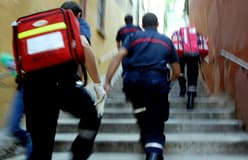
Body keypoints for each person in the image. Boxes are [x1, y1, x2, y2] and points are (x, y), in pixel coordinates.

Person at [20, 4, 106, 160]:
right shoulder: (76, 21)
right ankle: (78, 154)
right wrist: (98, 84)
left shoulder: (45, 25)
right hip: (62, 83)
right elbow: (84, 45)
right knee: (92, 116)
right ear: (78, 15)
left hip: (32, 87)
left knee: (41, 147)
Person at [104, 13, 180, 160]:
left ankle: (148, 140)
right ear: (157, 24)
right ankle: (154, 152)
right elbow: (177, 71)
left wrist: (107, 81)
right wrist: (169, 82)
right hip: (156, 83)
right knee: (157, 119)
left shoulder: (133, 38)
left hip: (134, 84)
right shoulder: (166, 41)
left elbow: (118, 57)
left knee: (142, 114)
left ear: (143, 25)